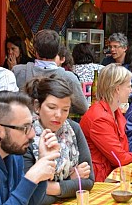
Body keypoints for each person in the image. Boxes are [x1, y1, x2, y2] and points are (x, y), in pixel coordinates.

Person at [23, 75, 95, 204]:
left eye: (65, 110)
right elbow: (31, 197)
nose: (59, 115)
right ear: (37, 106)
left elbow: (88, 182)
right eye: (51, 107)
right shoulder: (26, 135)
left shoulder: (73, 129)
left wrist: (51, 188)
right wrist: (72, 180)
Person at [12, 29, 88, 116]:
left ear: (35, 52)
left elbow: (8, 104)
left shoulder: (17, 71)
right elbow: (83, 108)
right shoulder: (69, 78)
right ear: (57, 52)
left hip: (24, 124)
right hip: (56, 124)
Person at [80, 64, 132, 182]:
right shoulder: (99, 118)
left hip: (111, 174)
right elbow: (119, 158)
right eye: (129, 86)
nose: (131, 90)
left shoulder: (114, 112)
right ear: (117, 89)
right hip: (99, 180)